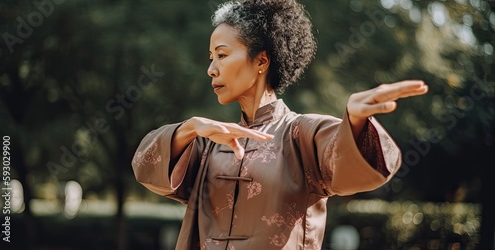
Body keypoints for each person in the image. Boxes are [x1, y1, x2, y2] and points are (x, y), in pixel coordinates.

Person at [131, 0, 428, 249]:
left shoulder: (301, 134)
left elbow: (358, 165)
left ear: (261, 61)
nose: (211, 69)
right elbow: (146, 167)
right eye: (211, 58)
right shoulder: (208, 142)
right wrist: (191, 127)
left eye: (221, 55)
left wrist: (356, 120)